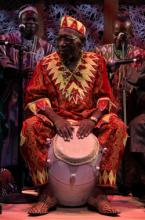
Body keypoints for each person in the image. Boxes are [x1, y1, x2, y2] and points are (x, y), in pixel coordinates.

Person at [20, 15, 127, 216]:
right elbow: (35, 96)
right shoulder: (45, 63)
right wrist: (56, 119)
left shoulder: (96, 62)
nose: (61, 44)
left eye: (68, 40)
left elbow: (105, 97)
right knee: (30, 126)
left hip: (89, 118)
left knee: (117, 126)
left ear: (82, 43)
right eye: (59, 38)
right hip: (56, 119)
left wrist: (93, 118)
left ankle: (98, 193)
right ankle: (46, 191)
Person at [0, 4, 54, 182]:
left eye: (33, 20)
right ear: (20, 22)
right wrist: (17, 71)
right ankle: (10, 178)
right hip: (13, 98)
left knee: (34, 133)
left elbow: (53, 70)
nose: (30, 23)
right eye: (27, 19)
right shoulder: (8, 40)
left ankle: (33, 176)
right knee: (12, 134)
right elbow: (4, 64)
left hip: (37, 101)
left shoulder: (47, 48)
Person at [95, 13, 145, 122]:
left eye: (124, 35)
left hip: (132, 109)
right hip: (107, 110)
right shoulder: (100, 53)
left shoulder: (140, 55)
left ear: (131, 35)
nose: (119, 38)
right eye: (116, 34)